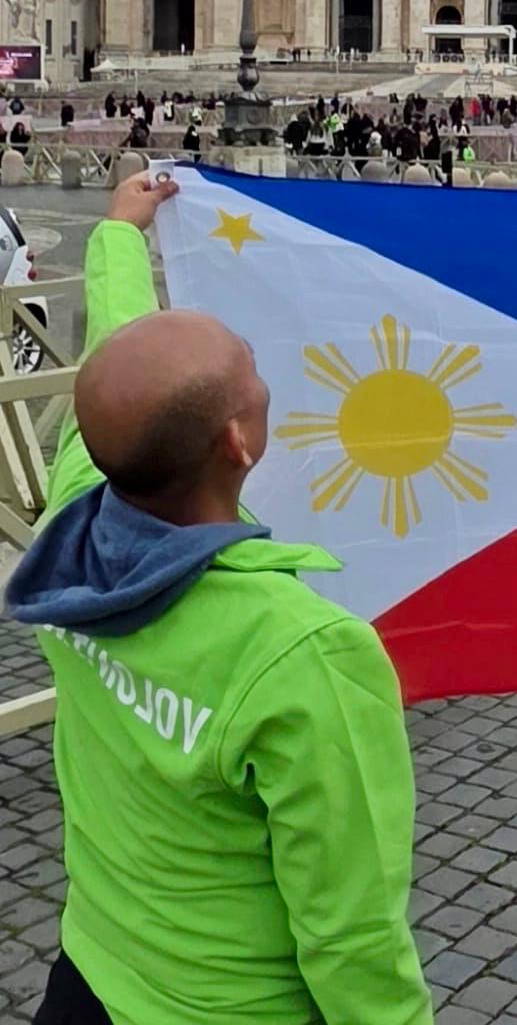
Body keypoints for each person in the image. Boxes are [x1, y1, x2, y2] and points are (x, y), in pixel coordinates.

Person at [4, 173, 431, 1025]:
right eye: (251, 369)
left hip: (91, 974)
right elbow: (352, 929)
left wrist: (120, 232)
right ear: (239, 439)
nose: (259, 370)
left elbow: (120, 351)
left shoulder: (75, 519)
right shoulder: (306, 652)